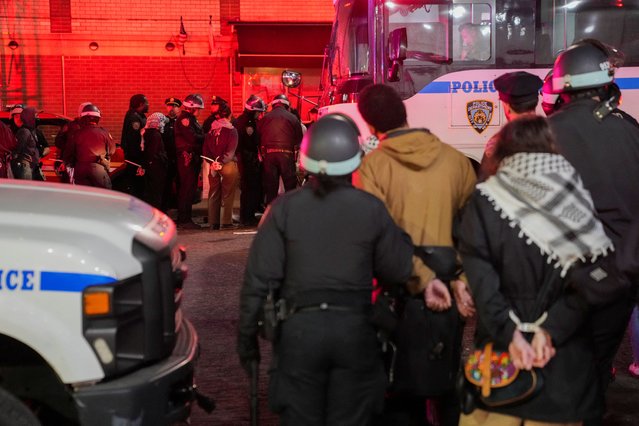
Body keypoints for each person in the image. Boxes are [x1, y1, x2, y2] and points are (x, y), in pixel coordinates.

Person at [237, 113, 414, 425]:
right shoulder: (371, 208)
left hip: (299, 334)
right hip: (356, 331)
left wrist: (247, 338)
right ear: (354, 158)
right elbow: (399, 269)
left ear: (305, 159)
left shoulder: (283, 209)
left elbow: (258, 279)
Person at [458, 115, 609, 425]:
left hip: (500, 366)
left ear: (503, 153)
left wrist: (511, 333)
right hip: (562, 369)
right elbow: (590, 281)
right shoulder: (574, 199)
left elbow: (482, 282)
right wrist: (549, 330)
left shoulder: (486, 200)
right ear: (551, 149)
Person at [354, 83, 476, 425]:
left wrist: (420, 276)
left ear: (370, 125)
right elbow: (473, 231)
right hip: (450, 292)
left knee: (399, 390)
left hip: (397, 296)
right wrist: (463, 279)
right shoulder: (456, 160)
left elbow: (376, 237)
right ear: (405, 114)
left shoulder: (371, 169)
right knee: (446, 382)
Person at [548, 41, 639, 425]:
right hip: (620, 277)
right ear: (605, 83)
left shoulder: (544, 133)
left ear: (562, 85)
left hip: (566, 280)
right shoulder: (631, 131)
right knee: (599, 364)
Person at [479, 71, 543, 179]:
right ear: (535, 102)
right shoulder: (554, 133)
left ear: (507, 106)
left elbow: (485, 182)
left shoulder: (497, 143)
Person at [257, 94, 303, 205]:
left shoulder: (264, 119)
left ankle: (271, 214)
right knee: (290, 187)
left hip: (269, 156)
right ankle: (290, 213)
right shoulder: (293, 118)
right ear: (287, 105)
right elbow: (300, 140)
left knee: (271, 187)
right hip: (287, 155)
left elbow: (258, 138)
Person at [203, 103, 239, 230]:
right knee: (227, 193)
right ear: (228, 115)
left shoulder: (211, 131)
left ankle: (213, 222)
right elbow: (231, 151)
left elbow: (205, 150)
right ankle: (226, 221)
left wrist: (213, 162)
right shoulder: (231, 130)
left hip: (213, 165)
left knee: (214, 193)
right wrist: (221, 162)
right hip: (227, 164)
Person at [63, 104, 116, 189]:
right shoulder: (104, 132)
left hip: (80, 171)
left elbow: (68, 153)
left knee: (83, 198)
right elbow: (112, 150)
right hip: (98, 169)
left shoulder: (76, 134)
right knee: (104, 196)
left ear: (83, 118)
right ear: (98, 118)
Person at [233, 94, 266, 226]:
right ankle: (248, 217)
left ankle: (246, 215)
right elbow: (252, 142)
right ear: (253, 110)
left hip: (244, 158)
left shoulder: (239, 120)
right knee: (250, 188)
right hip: (248, 159)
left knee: (247, 188)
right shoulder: (248, 123)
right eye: (259, 112)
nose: (259, 115)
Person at [174, 93, 205, 229]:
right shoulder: (185, 120)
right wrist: (204, 136)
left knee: (189, 188)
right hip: (187, 158)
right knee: (187, 189)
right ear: (192, 108)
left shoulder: (190, 119)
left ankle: (186, 218)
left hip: (191, 157)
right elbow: (192, 138)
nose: (199, 111)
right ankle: (184, 220)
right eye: (198, 109)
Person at [55, 102, 92, 183]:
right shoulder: (85, 128)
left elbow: (58, 142)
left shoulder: (70, 126)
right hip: (78, 164)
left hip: (73, 164)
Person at [121, 94, 149, 197]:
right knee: (137, 186)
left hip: (137, 158)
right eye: (147, 103)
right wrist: (140, 159)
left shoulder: (139, 115)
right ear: (141, 104)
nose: (148, 105)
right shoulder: (134, 118)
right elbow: (134, 140)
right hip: (135, 159)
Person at [141, 112, 168, 209]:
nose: (163, 124)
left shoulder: (146, 132)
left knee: (150, 193)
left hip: (150, 167)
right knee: (156, 194)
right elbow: (153, 152)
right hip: (157, 168)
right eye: (162, 122)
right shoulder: (156, 135)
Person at [162, 97, 182, 212]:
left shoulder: (182, 122)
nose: (172, 108)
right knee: (166, 186)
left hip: (179, 158)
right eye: (169, 106)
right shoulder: (163, 121)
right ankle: (164, 211)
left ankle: (181, 213)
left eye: (174, 106)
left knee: (181, 186)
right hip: (167, 158)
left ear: (179, 108)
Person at [10, 106, 40, 180]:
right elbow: (17, 149)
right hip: (24, 167)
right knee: (26, 189)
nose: (38, 117)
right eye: (35, 115)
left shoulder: (31, 130)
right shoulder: (24, 131)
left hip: (30, 166)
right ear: (29, 117)